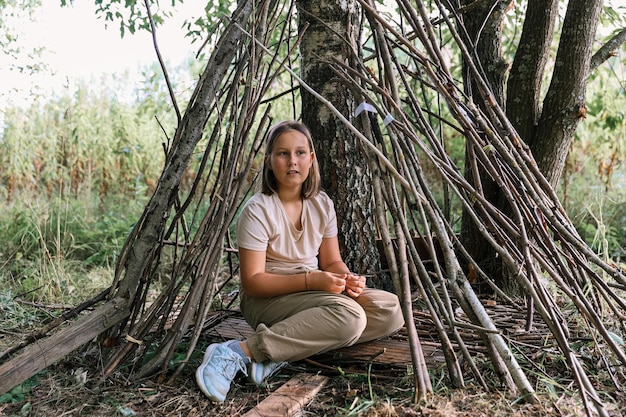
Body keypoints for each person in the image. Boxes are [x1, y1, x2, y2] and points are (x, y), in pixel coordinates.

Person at [195, 120, 404, 402]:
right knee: (350, 318)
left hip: (312, 294)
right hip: (268, 299)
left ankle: (282, 349)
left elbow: (331, 262)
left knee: (389, 309)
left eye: (300, 153)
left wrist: (348, 279)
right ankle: (237, 352)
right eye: (283, 154)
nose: (292, 161)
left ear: (311, 158)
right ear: (269, 161)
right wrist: (311, 279)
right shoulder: (258, 210)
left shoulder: (321, 203)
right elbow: (253, 284)